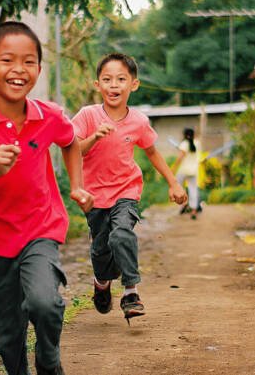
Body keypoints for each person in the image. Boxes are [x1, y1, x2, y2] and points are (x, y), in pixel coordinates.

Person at [0, 21, 93, 375]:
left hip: (40, 229)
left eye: (29, 61)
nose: (19, 70)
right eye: (7, 60)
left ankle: (48, 360)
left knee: (44, 302)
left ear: (39, 68)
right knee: (6, 335)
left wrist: (77, 185)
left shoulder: (48, 115)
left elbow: (70, 141)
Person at [71, 52, 187, 322]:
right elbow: (74, 150)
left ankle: (131, 292)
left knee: (122, 234)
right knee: (101, 250)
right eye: (107, 79)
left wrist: (173, 182)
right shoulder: (88, 116)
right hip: (93, 196)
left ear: (133, 85)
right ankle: (102, 283)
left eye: (121, 79)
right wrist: (94, 137)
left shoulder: (138, 121)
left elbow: (152, 152)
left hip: (126, 191)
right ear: (97, 84)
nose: (114, 85)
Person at [172, 127, 202, 219]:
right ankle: (193, 211)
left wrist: (173, 168)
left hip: (183, 170)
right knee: (193, 190)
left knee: (178, 187)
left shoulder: (184, 144)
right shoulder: (197, 143)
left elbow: (180, 158)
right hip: (193, 171)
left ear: (185, 135)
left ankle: (184, 204)